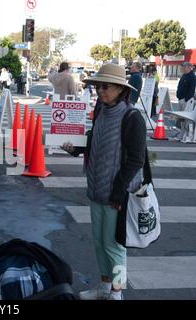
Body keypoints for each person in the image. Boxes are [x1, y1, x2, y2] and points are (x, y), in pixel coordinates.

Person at [61, 64, 146, 301]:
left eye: (105, 86)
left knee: (115, 247)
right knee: (99, 244)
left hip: (117, 195)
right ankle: (106, 287)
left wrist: (119, 192)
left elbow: (137, 159)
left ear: (120, 89)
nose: (100, 91)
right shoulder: (100, 111)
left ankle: (116, 294)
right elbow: (94, 143)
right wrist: (75, 149)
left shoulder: (132, 117)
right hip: (96, 190)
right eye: (98, 86)